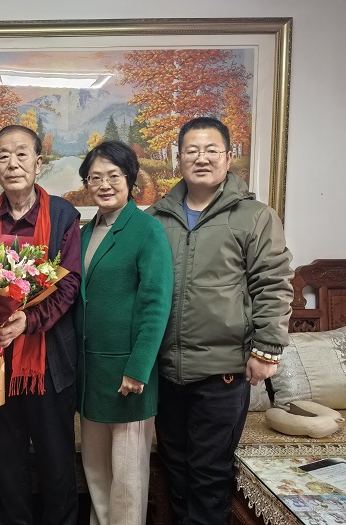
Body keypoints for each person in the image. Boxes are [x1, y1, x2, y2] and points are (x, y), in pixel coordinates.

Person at [147, 117, 293, 524]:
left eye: (212, 150)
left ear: (229, 157)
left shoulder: (255, 216)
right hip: (165, 369)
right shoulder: (156, 217)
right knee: (175, 468)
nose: (202, 158)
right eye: (192, 151)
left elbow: (273, 284)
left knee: (209, 474)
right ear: (178, 159)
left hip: (222, 371)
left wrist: (267, 349)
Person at [0, 124, 82, 525]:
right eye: (3, 155)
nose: (13, 163)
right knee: (7, 461)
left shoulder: (63, 214)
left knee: (56, 463)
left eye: (22, 154)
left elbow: (69, 283)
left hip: (49, 362)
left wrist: (28, 320)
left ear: (39, 162)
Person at [75, 141, 173, 525]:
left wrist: (138, 368)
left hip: (127, 374)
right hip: (91, 371)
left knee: (127, 478)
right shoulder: (85, 232)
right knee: (96, 471)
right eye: (94, 177)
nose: (104, 184)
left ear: (130, 179)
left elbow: (156, 304)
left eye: (113, 176)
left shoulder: (147, 229)